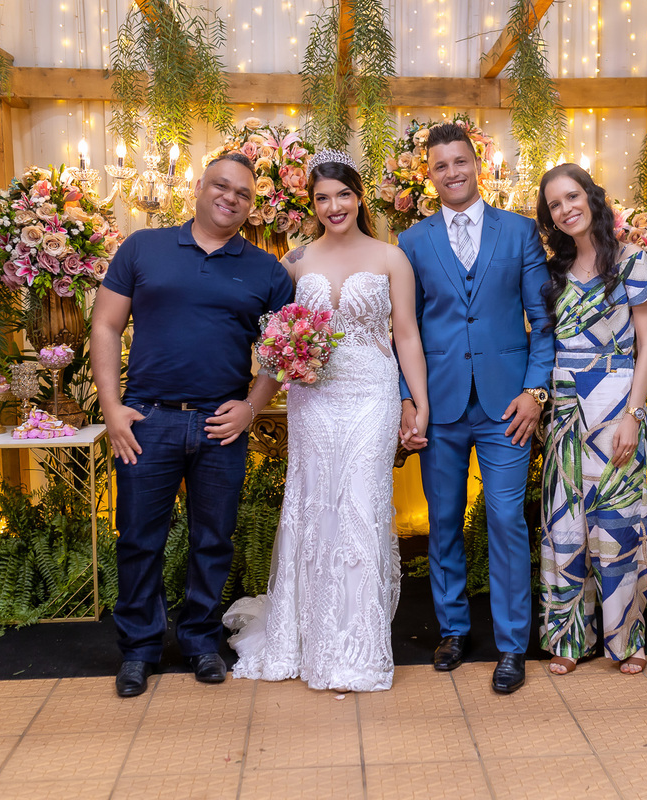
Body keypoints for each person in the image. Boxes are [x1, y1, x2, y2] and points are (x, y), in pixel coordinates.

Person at [223, 150, 429, 692]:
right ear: (311, 205)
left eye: (342, 195)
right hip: (313, 398)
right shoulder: (295, 262)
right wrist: (262, 386)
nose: (333, 206)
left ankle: (356, 648)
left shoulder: (391, 258)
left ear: (358, 198)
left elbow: (406, 335)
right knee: (315, 507)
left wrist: (418, 400)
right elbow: (275, 340)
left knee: (360, 506)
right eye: (322, 198)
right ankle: (307, 638)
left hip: (372, 395)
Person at [91, 151, 294, 698]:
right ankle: (139, 650)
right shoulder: (143, 247)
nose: (231, 198)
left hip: (220, 426)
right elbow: (106, 325)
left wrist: (252, 406)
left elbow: (284, 350)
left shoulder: (267, 271)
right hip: (147, 420)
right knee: (138, 539)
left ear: (252, 207)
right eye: (222, 186)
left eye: (243, 194)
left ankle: (201, 640)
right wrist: (112, 407)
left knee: (213, 539)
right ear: (199, 187)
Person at [397, 122, 555, 694]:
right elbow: (404, 329)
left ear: (476, 164)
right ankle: (453, 629)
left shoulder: (520, 231)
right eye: (440, 165)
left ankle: (512, 644)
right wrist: (408, 399)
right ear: (429, 174)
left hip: (506, 406)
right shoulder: (411, 242)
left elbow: (543, 321)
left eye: (460, 161)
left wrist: (535, 392)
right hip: (438, 406)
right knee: (442, 520)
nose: (452, 173)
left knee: (507, 520)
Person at [535, 164, 647, 676]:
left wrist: (633, 415)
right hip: (565, 409)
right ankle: (568, 639)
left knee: (617, 522)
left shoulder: (632, 260)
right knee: (564, 525)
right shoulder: (553, 271)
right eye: (555, 205)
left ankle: (625, 638)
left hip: (616, 403)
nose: (566, 209)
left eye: (572, 196)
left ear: (591, 197)